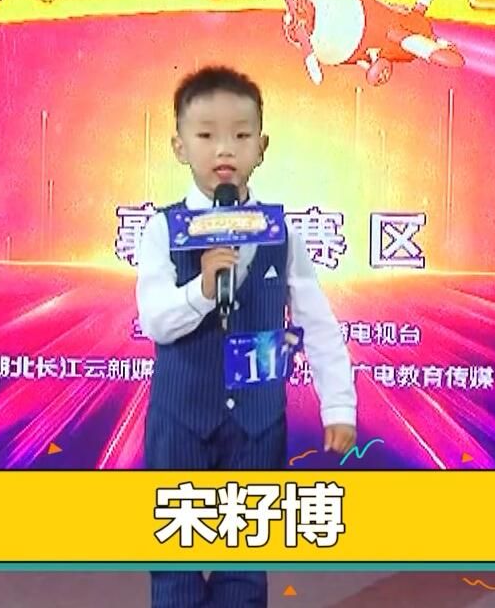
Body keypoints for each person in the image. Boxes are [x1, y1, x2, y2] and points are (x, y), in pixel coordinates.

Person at [137, 66, 357, 608]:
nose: (224, 149)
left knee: (245, 565)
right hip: (180, 420)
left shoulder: (282, 232)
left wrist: (339, 406)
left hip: (258, 422)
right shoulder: (163, 229)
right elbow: (156, 321)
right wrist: (203, 289)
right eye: (205, 134)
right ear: (179, 146)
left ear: (262, 146)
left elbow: (318, 323)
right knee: (175, 563)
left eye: (240, 134)